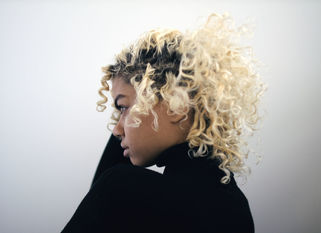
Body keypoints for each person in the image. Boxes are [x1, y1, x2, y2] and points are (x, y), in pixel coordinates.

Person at [61, 12, 266, 233]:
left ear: (177, 106)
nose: (117, 128)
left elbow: (100, 199)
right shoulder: (236, 206)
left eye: (123, 108)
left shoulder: (123, 190)